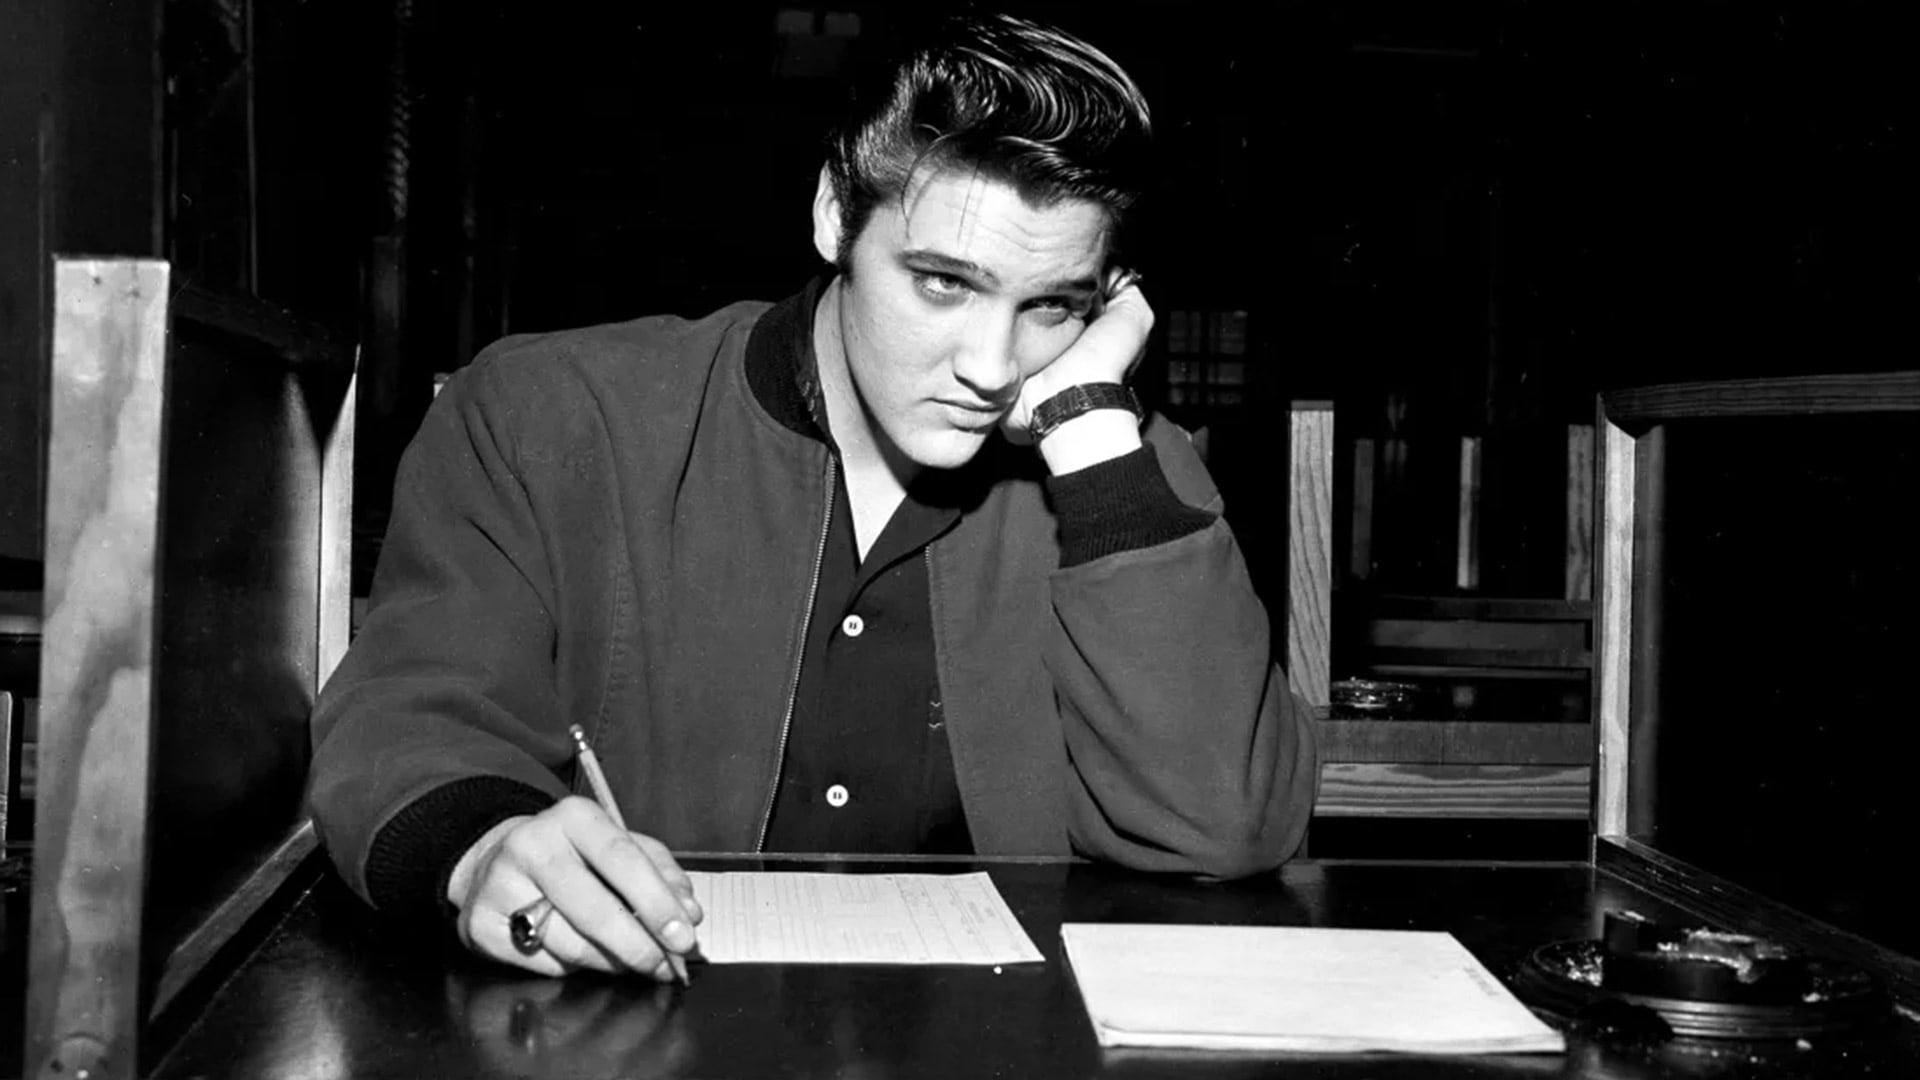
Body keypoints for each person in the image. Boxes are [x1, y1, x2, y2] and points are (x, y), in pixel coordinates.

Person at [307, 10, 1317, 982]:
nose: (993, 365)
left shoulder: (1118, 468)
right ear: (836, 213)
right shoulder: (555, 416)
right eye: (943, 283)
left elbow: (1222, 827)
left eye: (1051, 305)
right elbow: (412, 714)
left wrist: (1092, 431)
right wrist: (485, 847)